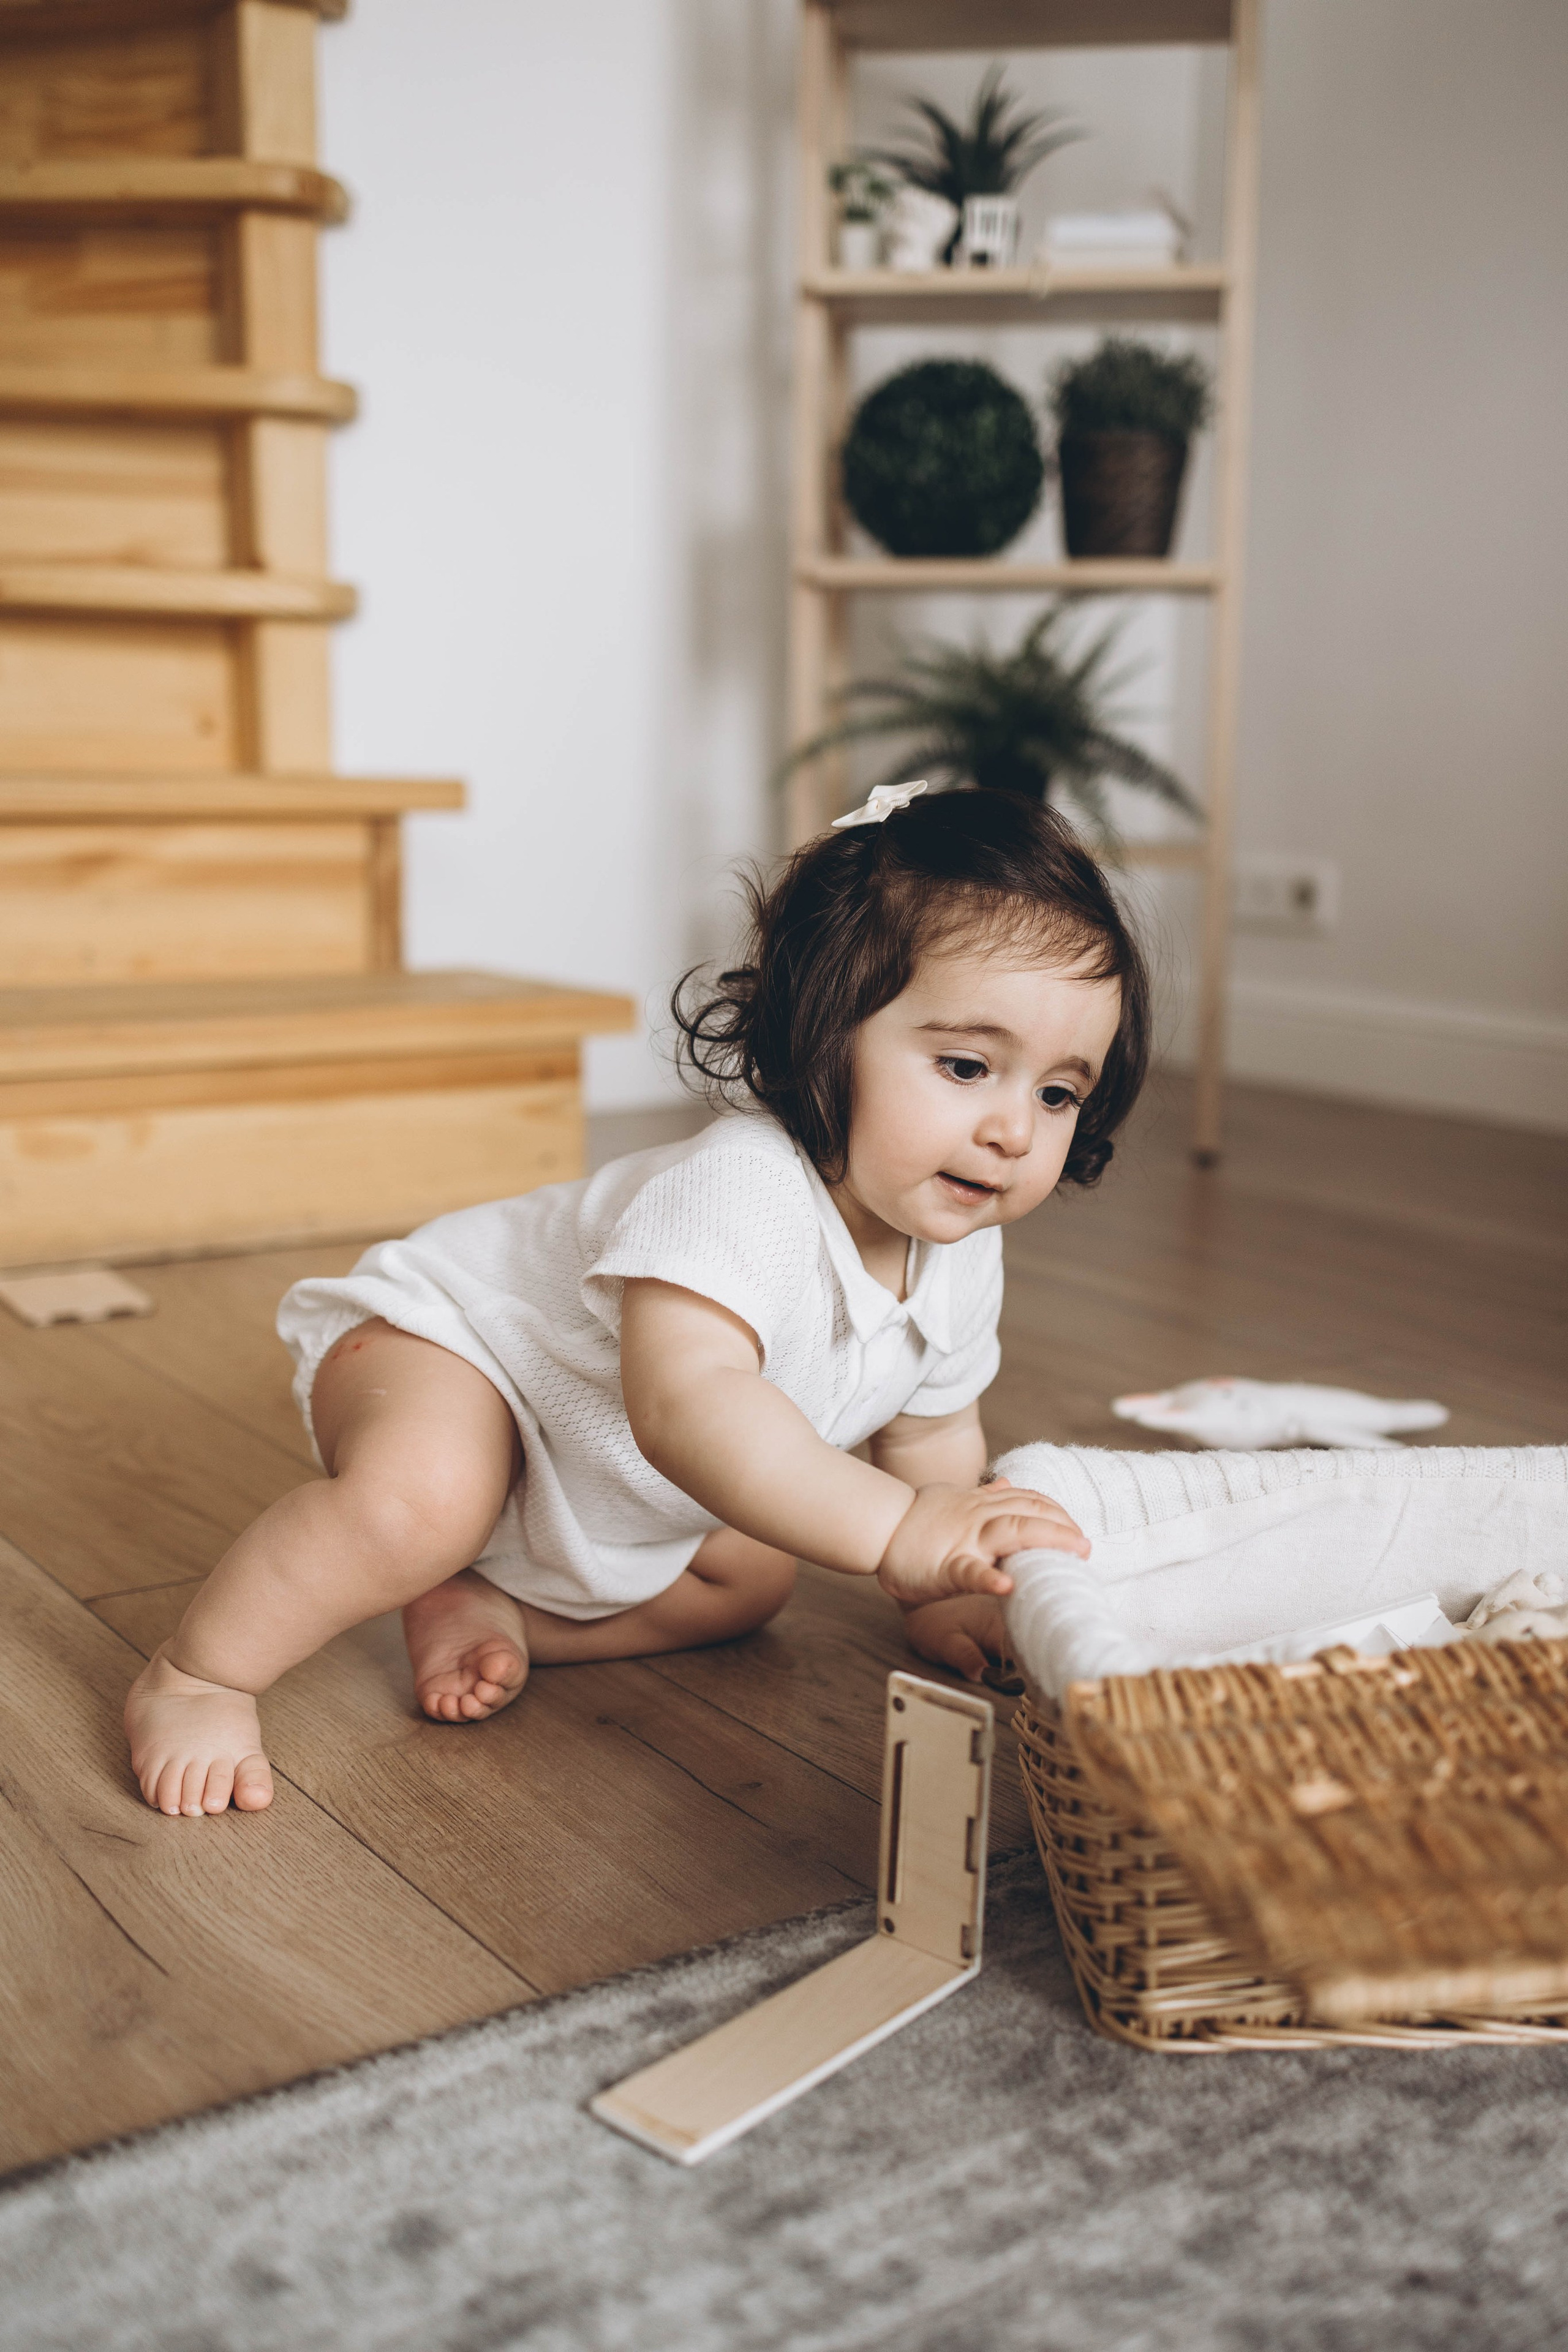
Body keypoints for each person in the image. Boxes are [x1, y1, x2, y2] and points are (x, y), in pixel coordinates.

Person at [124, 784, 1150, 1817]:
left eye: (1059, 1092)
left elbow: (931, 1437)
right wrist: (896, 1532)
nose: (1016, 1130)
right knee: (425, 1502)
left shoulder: (961, 1250)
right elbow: (688, 1407)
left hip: (598, 1466)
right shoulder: (741, 1186)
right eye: (969, 1066)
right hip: (451, 1352)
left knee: (750, 1582)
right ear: (822, 1037)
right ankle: (199, 1675)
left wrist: (946, 1580)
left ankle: (501, 1606)